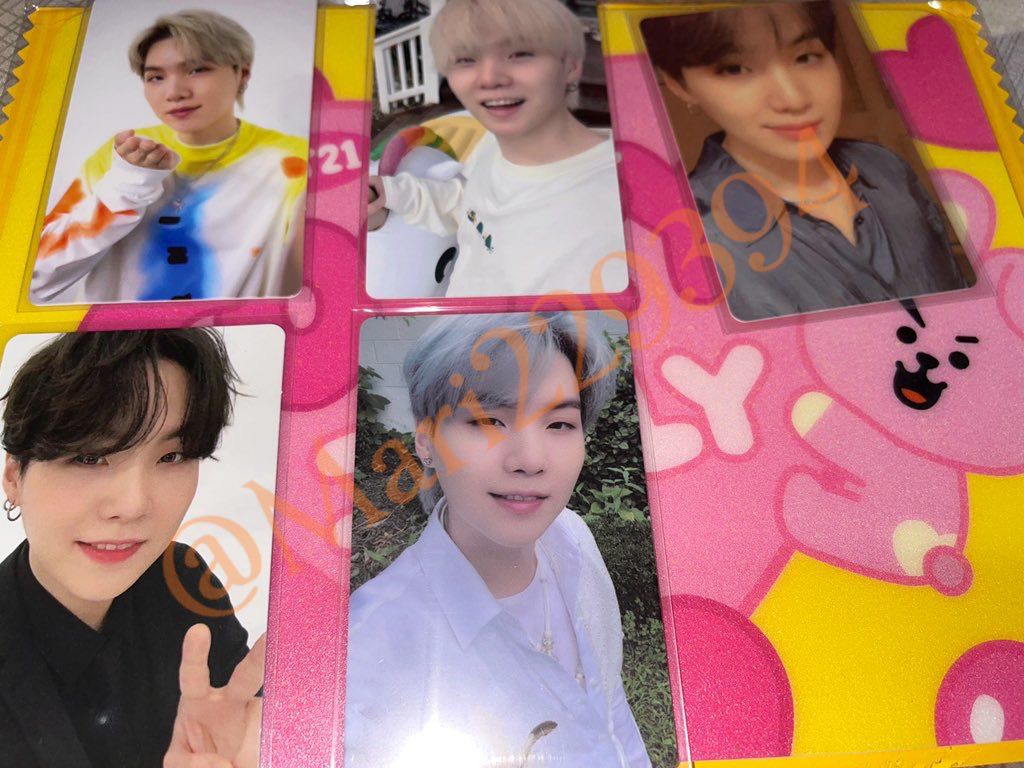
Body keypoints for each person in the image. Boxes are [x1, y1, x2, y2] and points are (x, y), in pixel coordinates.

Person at [344, 313, 651, 767]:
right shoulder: (367, 648)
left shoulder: (574, 539)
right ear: (426, 442)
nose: (530, 460)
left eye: (559, 424)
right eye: (489, 420)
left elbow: (609, 709)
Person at [0, 329, 263, 768]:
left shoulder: (183, 578)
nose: (133, 505)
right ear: (14, 476)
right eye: (88, 457)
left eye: (171, 457)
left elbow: (239, 711)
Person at [642, 1, 972, 321]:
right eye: (735, 69)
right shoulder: (690, 238)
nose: (793, 98)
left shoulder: (886, 168)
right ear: (678, 84)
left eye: (806, 57)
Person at [31, 10, 308, 305]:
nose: (174, 92)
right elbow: (35, 278)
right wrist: (127, 187)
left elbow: (317, 283)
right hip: (118, 335)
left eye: (197, 70)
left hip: (234, 332)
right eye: (156, 77)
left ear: (242, 73)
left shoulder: (294, 161)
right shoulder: (123, 154)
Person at [367, 0, 629, 298]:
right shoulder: (494, 144)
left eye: (520, 53)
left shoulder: (621, 199)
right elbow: (472, 207)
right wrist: (391, 194)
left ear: (570, 65)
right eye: (465, 59)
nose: (489, 78)